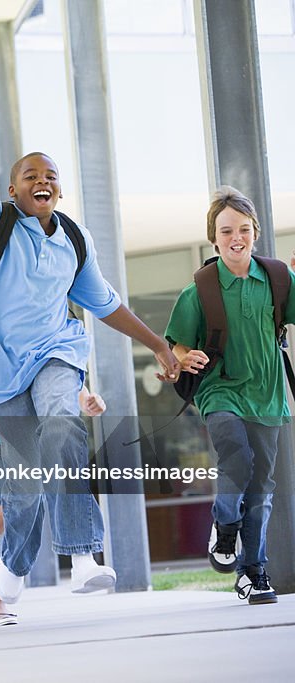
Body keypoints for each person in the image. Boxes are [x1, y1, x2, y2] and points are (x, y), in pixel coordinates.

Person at [0, 131, 180, 616]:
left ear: (59, 191)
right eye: (31, 177)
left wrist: (157, 345)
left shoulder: (74, 240)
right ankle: (12, 570)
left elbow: (106, 305)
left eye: (51, 177)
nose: (42, 182)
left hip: (56, 352)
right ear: (12, 190)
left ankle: (83, 555)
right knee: (23, 483)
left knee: (63, 426)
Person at [165, 186, 292, 605]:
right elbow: (176, 344)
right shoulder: (200, 288)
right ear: (213, 237)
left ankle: (253, 571)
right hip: (221, 391)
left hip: (268, 394)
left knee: (261, 484)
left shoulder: (276, 278)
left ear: (255, 231)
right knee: (235, 454)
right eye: (225, 231)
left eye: (243, 229)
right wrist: (185, 356)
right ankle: (224, 525)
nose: (235, 237)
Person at [0, 336, 106, 626]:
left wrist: (84, 398)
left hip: (30, 441)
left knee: (28, 501)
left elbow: (58, 372)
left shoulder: (39, 321)